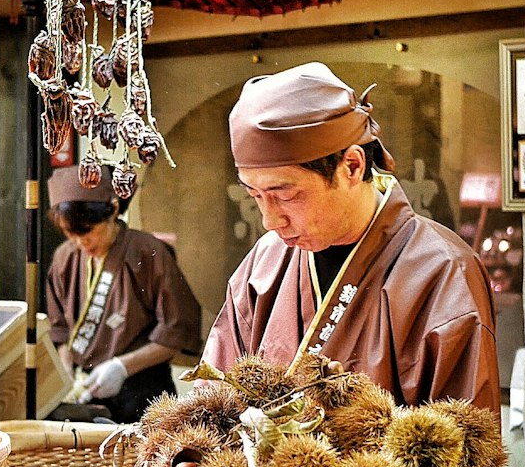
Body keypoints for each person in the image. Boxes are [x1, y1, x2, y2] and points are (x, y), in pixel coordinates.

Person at [203, 61, 500, 416]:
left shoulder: (443, 271)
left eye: (285, 195)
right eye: (255, 195)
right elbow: (212, 399)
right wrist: (189, 456)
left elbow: (463, 449)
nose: (270, 221)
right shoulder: (265, 260)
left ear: (352, 166)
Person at [46, 166, 202, 423]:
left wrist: (122, 367)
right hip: (86, 394)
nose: (79, 243)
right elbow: (59, 330)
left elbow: (178, 330)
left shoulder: (149, 252)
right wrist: (66, 375)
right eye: (69, 233)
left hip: (142, 393)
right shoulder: (65, 256)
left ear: (114, 209)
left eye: (86, 230)